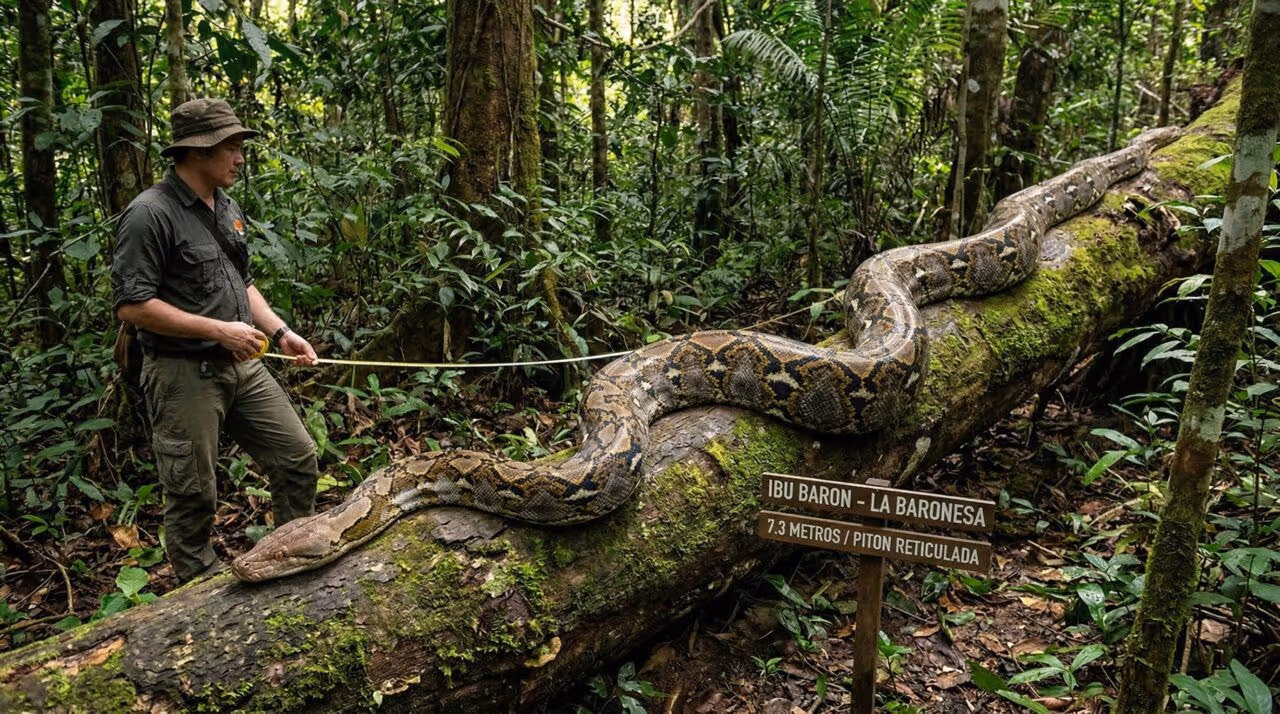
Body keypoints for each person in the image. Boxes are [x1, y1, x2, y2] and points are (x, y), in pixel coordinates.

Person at [111, 98, 320, 584]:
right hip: (183, 373)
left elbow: (242, 283)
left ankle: (289, 565)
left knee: (297, 457)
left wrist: (281, 332)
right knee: (193, 493)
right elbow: (132, 306)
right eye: (230, 147)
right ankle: (200, 600)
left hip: (244, 367)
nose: (239, 157)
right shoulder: (150, 214)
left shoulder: (225, 207)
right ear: (197, 152)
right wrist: (217, 330)